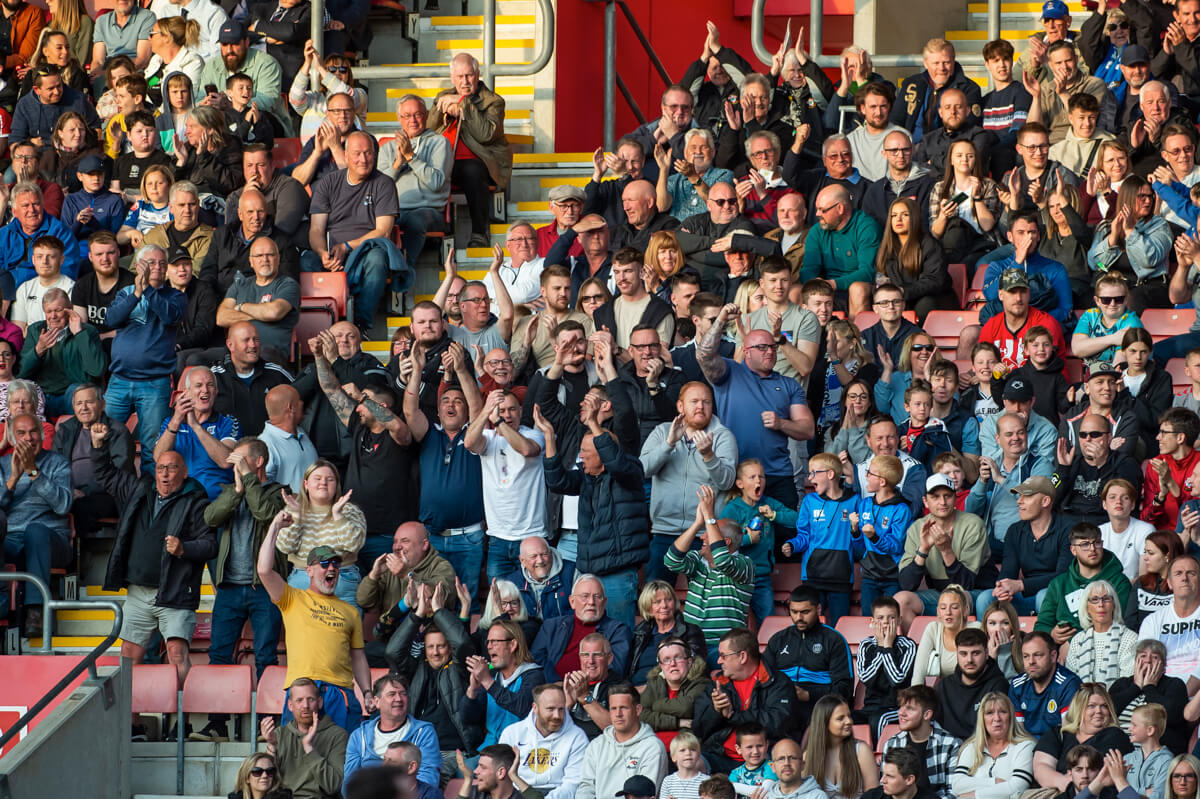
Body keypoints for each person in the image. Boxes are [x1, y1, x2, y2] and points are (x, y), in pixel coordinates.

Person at [93, 420, 214, 692]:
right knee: (128, 657)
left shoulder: (196, 500)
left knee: (177, 654)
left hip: (175, 592)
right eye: (161, 468)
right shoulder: (140, 490)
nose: (165, 474)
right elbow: (106, 475)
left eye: (172, 468)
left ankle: (180, 722)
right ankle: (130, 722)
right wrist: (99, 446)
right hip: (138, 592)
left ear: (185, 472)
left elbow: (210, 545)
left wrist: (185, 549)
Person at [538, 374, 649, 628]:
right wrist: (549, 439)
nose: (581, 459)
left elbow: (617, 461)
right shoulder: (589, 477)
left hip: (618, 574)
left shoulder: (629, 471)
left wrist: (595, 427)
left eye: (586, 454)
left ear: (603, 454)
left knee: (619, 635)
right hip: (589, 571)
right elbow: (558, 482)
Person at [194, 436, 286, 743]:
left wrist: (247, 480)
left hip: (264, 589)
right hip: (230, 589)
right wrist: (235, 491)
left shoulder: (278, 493)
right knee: (219, 655)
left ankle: (267, 725)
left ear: (258, 462)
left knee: (265, 656)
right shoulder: (229, 491)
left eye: (241, 460)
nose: (234, 465)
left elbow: (264, 513)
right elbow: (210, 517)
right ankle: (218, 723)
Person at [697, 304, 815, 508]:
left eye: (772, 347)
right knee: (739, 537)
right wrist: (721, 319)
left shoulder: (788, 384)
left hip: (778, 476)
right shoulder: (729, 373)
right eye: (761, 347)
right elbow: (704, 355)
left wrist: (781, 424)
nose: (769, 352)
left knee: (785, 536)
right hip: (738, 475)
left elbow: (808, 429)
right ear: (746, 351)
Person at [306, 130, 402, 335]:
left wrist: (347, 246)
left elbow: (383, 231)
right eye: (357, 154)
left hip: (366, 248)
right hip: (331, 251)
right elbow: (316, 229)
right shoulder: (329, 183)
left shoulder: (384, 183)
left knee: (377, 259)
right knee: (306, 262)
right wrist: (323, 253)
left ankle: (361, 324)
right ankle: (317, 326)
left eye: (368, 153)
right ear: (346, 156)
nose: (363, 159)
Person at [429, 53, 512, 248]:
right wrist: (442, 109)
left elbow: (485, 134)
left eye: (469, 75)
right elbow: (428, 128)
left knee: (471, 170)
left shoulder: (493, 102)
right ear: (452, 78)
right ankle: (437, 230)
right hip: (445, 161)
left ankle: (479, 233)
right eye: (460, 77)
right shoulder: (444, 97)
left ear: (478, 74)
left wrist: (463, 104)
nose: (465, 81)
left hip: (482, 162)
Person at [0, 413, 72, 635]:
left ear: (41, 435)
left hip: (50, 542)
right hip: (12, 541)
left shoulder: (58, 463)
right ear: (12, 439)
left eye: (33, 432)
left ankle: (35, 611)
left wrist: (32, 471)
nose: (29, 438)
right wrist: (13, 478)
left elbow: (63, 505)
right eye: (21, 433)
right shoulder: (2, 465)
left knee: (36, 530)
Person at [666, 487, 755, 665]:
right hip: (691, 642)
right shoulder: (698, 559)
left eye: (708, 532)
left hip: (726, 647)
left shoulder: (745, 565)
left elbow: (722, 560)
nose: (702, 537)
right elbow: (671, 560)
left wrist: (710, 517)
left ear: (725, 542)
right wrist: (697, 524)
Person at [692, 628, 798, 773]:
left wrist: (733, 716)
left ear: (742, 657)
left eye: (723, 656)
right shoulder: (717, 682)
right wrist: (715, 711)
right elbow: (698, 728)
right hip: (720, 756)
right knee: (691, 764)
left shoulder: (778, 682)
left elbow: (777, 724)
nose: (718, 661)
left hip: (764, 760)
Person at [894, 476, 992, 626]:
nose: (943, 502)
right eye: (935, 497)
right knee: (901, 600)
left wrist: (946, 550)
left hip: (974, 593)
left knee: (954, 600)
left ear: (955, 498)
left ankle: (959, 647)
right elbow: (907, 584)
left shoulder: (972, 524)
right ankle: (914, 648)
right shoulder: (917, 527)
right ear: (925, 501)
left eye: (947, 496)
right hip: (939, 595)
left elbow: (966, 583)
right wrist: (923, 550)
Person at [976, 473, 1072, 619]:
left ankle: (1044, 641)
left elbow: (1063, 576)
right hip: (1025, 596)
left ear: (1045, 501)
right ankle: (986, 642)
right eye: (1019, 496)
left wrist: (1021, 585)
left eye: (1026, 496)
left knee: (1044, 596)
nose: (1019, 502)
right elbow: (1008, 571)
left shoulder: (1067, 529)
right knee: (986, 598)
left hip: (1058, 595)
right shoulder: (1015, 530)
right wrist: (1003, 589)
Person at [378, 94, 452, 270]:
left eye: (417, 114)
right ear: (399, 118)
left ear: (426, 115)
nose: (413, 120)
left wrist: (411, 158)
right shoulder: (387, 148)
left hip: (429, 211)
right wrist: (397, 164)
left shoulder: (439, 143)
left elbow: (436, 183)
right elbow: (379, 188)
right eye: (407, 116)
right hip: (394, 210)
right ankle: (383, 268)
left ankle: (405, 269)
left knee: (415, 220)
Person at [51, 384, 133, 533]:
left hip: (108, 495)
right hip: (71, 492)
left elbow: (119, 474)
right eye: (79, 403)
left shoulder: (117, 431)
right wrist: (69, 490)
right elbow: (54, 466)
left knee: (81, 507)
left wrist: (85, 492)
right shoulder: (65, 431)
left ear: (102, 404)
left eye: (89, 402)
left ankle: (83, 554)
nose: (84, 408)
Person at [154, 365, 238, 501]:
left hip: (214, 502)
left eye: (210, 385)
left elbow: (226, 461)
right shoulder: (170, 422)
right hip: (178, 502)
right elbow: (158, 458)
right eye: (198, 385)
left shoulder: (228, 422)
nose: (205, 390)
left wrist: (196, 426)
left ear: (216, 391)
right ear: (186, 393)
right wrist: (176, 420)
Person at [17, 288, 106, 417]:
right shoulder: (35, 330)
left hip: (73, 396)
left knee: (75, 391)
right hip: (44, 395)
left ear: (69, 309)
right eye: (49, 311)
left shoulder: (87, 331)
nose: (53, 316)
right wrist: (39, 350)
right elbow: (20, 372)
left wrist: (79, 334)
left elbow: (97, 369)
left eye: (58, 310)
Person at [1036, 524, 1132, 642]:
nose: (1092, 549)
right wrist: (1052, 634)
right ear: (1073, 550)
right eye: (1085, 544)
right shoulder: (1059, 584)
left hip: (1105, 647)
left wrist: (1073, 642)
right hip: (1060, 652)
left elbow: (1118, 623)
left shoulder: (1119, 582)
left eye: (1096, 543)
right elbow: (1041, 625)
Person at [1031, 684, 1133, 792]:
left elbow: (1101, 774)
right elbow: (1041, 767)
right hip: (1055, 792)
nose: (1099, 710)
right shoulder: (1059, 733)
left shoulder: (1116, 736)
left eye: (1104, 706)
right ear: (1079, 709)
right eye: (1091, 706)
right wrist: (1064, 783)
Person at [573, 683, 668, 799]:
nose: (618, 714)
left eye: (624, 708)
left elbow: (644, 795)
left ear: (637, 710)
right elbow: (585, 788)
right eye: (613, 708)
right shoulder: (596, 745)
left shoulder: (653, 748)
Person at [344, 672, 440, 786]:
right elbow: (349, 782)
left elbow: (428, 779)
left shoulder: (423, 732)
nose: (399, 698)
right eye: (392, 694)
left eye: (403, 693)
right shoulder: (359, 736)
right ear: (377, 701)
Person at [799, 184, 879, 318]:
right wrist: (815, 282)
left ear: (840, 208)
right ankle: (798, 336)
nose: (817, 214)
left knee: (857, 289)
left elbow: (868, 272)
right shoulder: (817, 230)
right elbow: (808, 269)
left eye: (822, 210)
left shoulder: (866, 227)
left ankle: (857, 336)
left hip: (858, 288)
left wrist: (833, 284)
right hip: (826, 289)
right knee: (795, 291)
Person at [498, 682, 588, 799]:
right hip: (518, 793)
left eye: (561, 709)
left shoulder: (577, 737)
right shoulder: (512, 733)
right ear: (535, 708)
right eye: (550, 709)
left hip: (558, 794)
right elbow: (501, 777)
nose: (557, 715)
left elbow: (572, 785)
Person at [262, 677, 348, 799]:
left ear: (320, 702)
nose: (305, 705)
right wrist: (271, 745)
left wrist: (309, 748)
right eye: (299, 700)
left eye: (310, 699)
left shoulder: (338, 735)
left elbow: (333, 786)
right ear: (290, 706)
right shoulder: (280, 734)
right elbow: (267, 782)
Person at [891, 38, 983, 143]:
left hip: (948, 152)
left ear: (953, 61)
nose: (941, 68)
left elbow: (968, 129)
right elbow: (895, 122)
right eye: (936, 63)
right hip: (910, 151)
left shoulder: (969, 89)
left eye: (946, 62)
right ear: (925, 63)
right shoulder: (911, 85)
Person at [949, 691, 1036, 799]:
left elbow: (1018, 787)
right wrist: (994, 782)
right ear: (982, 718)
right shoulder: (972, 747)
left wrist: (974, 796)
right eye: (990, 713)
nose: (997, 718)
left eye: (1003, 712)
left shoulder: (1025, 746)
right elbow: (957, 784)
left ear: (1011, 716)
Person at [1113, 639, 1190, 755]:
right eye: (1143, 656)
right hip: (1120, 750)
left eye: (1154, 657)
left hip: (1159, 753)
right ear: (1135, 661)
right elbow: (1109, 712)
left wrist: (1149, 687)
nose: (1148, 661)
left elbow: (1172, 716)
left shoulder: (1174, 684)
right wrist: (1136, 687)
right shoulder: (1122, 684)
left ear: (1164, 665)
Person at [856, 596, 918, 742]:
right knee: (848, 717)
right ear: (872, 622)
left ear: (899, 620)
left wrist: (888, 647)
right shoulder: (866, 644)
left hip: (896, 706)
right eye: (880, 618)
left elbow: (897, 679)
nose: (885, 622)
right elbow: (866, 679)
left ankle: (877, 758)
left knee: (880, 720)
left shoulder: (907, 645)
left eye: (891, 617)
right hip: (870, 706)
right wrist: (881, 647)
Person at [627, 580, 706, 685]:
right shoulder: (639, 634)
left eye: (669, 600)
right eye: (657, 602)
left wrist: (650, 689)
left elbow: (694, 669)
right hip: (635, 690)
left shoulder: (690, 631)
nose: (664, 605)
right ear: (648, 607)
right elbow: (628, 670)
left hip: (670, 689)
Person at [638, 635, 711, 746]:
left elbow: (685, 707)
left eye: (677, 657)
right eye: (666, 659)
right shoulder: (654, 683)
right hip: (652, 748)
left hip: (686, 750)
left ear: (689, 661)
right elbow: (642, 716)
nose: (672, 664)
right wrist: (677, 722)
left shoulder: (701, 683)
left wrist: (656, 705)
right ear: (661, 665)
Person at [1008, 630, 1082, 736]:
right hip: (1027, 747)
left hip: (1058, 747)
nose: (1031, 661)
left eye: (1038, 655)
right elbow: (1018, 735)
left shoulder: (1068, 684)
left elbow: (1069, 734)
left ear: (1053, 656)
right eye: (1026, 656)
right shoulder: (1017, 685)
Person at [1137, 555, 1200, 680]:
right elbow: (1146, 664)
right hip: (1162, 691)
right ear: (1169, 583)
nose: (1184, 578)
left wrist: (1185, 696)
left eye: (1191, 573)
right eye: (1178, 573)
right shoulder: (1153, 621)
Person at [1064, 580, 1138, 686]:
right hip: (1082, 700)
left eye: (1106, 599)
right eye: (1095, 599)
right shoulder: (1078, 640)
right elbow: (1072, 682)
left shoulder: (1130, 638)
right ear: (1087, 607)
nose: (1101, 604)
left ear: (1114, 605)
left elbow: (1128, 682)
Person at [911, 585, 977, 685]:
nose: (948, 612)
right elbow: (918, 673)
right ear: (938, 612)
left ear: (966, 610)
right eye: (943, 608)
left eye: (954, 607)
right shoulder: (933, 629)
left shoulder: (976, 629)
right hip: (946, 691)